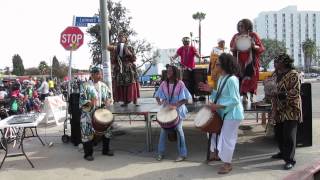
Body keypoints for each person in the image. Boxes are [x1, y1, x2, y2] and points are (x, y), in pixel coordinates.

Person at [199, 53, 244, 174]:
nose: (215, 66)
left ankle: (227, 164)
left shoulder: (232, 79)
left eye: (217, 64)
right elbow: (221, 96)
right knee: (215, 133)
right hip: (225, 112)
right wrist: (211, 90)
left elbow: (235, 100)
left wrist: (216, 106)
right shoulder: (221, 79)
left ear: (224, 65)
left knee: (227, 138)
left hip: (233, 114)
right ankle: (216, 155)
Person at [270, 53, 302, 170]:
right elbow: (271, 87)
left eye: (277, 61)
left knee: (289, 135)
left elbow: (295, 92)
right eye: (275, 61)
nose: (275, 63)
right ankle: (283, 153)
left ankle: (290, 160)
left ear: (284, 63)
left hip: (291, 109)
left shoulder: (294, 74)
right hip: (278, 109)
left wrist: (279, 94)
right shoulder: (275, 74)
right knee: (278, 134)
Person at [154, 65, 192, 162]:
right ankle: (160, 153)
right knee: (163, 131)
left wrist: (176, 106)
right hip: (167, 110)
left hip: (178, 110)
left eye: (170, 71)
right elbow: (157, 95)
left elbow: (186, 99)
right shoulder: (163, 83)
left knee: (179, 130)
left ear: (175, 72)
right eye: (167, 71)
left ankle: (182, 154)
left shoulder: (180, 84)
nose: (168, 72)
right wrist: (159, 101)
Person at [79, 66, 114, 161]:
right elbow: (81, 100)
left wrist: (108, 101)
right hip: (88, 113)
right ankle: (88, 154)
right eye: (98, 74)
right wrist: (90, 102)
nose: (100, 75)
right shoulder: (85, 86)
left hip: (101, 112)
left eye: (101, 73)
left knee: (107, 130)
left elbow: (110, 97)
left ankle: (105, 150)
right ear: (93, 75)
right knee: (87, 133)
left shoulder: (103, 85)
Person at [230, 19, 265, 103]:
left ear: (247, 26)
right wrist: (234, 48)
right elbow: (231, 48)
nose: (240, 27)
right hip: (240, 62)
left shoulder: (253, 35)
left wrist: (254, 46)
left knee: (252, 78)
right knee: (241, 78)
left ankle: (252, 95)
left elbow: (261, 48)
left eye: (242, 26)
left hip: (251, 62)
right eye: (239, 26)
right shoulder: (236, 36)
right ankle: (244, 96)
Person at [107, 32, 140, 107]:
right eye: (119, 37)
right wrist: (114, 54)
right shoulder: (115, 48)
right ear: (118, 39)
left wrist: (129, 53)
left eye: (123, 37)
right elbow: (113, 61)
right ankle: (125, 101)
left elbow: (134, 58)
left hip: (129, 69)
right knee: (122, 85)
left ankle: (135, 100)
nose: (121, 38)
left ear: (126, 39)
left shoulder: (130, 48)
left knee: (132, 83)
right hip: (120, 69)